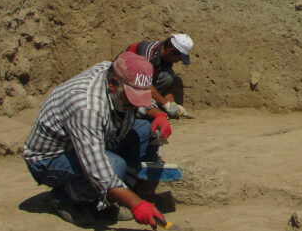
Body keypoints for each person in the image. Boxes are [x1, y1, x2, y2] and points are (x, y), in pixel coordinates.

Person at [24, 52, 173, 228]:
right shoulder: (85, 106)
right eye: (131, 98)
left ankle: (102, 198)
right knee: (114, 167)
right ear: (113, 84)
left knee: (143, 130)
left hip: (91, 140)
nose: (135, 104)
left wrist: (158, 115)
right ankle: (64, 198)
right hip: (51, 159)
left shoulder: (115, 72)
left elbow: (141, 102)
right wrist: (136, 204)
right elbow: (98, 170)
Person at [124, 33, 194, 119]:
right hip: (124, 84)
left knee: (168, 75)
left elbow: (167, 87)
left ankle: (151, 102)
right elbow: (144, 83)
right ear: (171, 51)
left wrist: (172, 104)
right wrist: (166, 104)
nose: (177, 61)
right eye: (178, 58)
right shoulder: (147, 54)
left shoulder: (166, 57)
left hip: (141, 83)